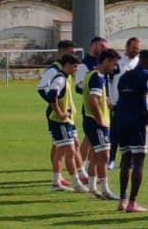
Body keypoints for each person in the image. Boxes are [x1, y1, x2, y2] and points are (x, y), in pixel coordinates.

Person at [112, 49, 148, 213]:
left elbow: (120, 96)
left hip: (121, 119)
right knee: (138, 161)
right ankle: (132, 203)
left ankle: (122, 199)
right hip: (137, 121)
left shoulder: (125, 76)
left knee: (125, 160)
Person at [39, 50, 87, 192]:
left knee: (61, 151)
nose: (76, 69)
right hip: (60, 122)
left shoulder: (67, 78)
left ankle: (55, 182)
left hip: (68, 121)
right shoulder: (59, 79)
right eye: (75, 66)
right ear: (66, 65)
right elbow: (51, 96)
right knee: (70, 151)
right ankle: (77, 183)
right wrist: (60, 113)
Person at [82, 47, 119, 199]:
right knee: (104, 156)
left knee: (95, 157)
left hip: (90, 121)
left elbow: (95, 98)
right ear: (106, 61)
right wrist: (100, 119)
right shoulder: (97, 77)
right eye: (114, 64)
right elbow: (93, 100)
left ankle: (92, 188)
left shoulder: (90, 75)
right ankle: (105, 190)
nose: (115, 67)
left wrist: (108, 104)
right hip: (97, 123)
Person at [74, 36, 109, 183]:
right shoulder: (84, 65)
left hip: (104, 107)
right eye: (102, 47)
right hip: (91, 106)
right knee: (89, 139)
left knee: (93, 140)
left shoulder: (103, 64)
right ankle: (80, 170)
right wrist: (95, 95)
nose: (104, 50)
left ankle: (87, 169)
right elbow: (78, 86)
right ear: (93, 45)